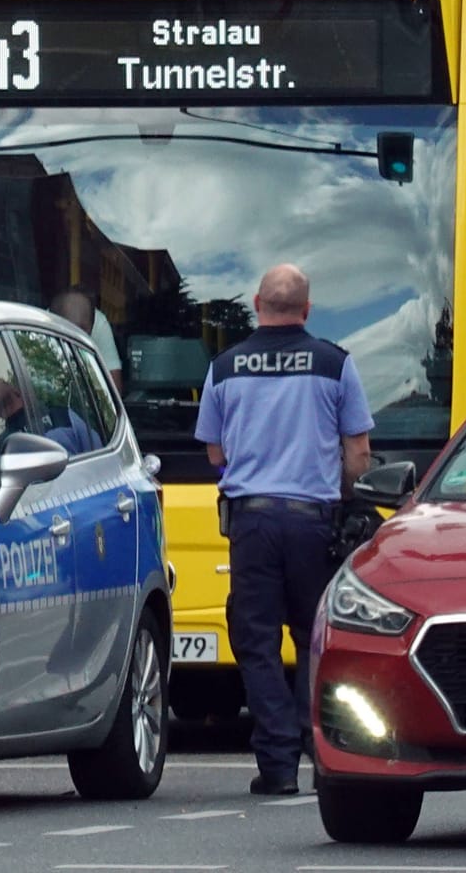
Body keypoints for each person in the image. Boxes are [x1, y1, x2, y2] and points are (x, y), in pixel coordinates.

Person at [193, 263, 373, 796]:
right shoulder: (335, 364)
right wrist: (334, 490)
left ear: (256, 303)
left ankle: (276, 766)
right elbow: (360, 455)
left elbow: (214, 451)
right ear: (308, 309)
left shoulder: (224, 368)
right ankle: (320, 749)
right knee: (316, 638)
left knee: (256, 641)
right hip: (314, 523)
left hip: (251, 522)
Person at [49, 287, 123, 394]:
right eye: (68, 332)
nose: (73, 341)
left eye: (83, 332)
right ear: (54, 325)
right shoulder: (36, 327)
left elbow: (114, 391)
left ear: (91, 328)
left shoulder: (98, 324)